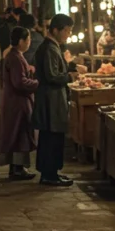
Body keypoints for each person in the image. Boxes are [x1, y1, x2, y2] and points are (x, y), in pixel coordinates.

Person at [33, 14, 77, 186]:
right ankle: (49, 174)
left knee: (52, 136)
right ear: (56, 30)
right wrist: (70, 77)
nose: (68, 34)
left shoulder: (52, 47)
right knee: (51, 137)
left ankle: (51, 173)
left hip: (53, 99)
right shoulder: (50, 48)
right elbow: (51, 75)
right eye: (67, 30)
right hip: (51, 100)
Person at [0, 27, 40, 180]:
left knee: (16, 134)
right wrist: (37, 83)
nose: (29, 42)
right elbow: (19, 82)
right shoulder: (15, 57)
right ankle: (17, 169)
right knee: (20, 134)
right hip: (18, 102)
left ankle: (17, 168)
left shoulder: (14, 55)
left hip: (15, 101)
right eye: (28, 39)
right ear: (21, 41)